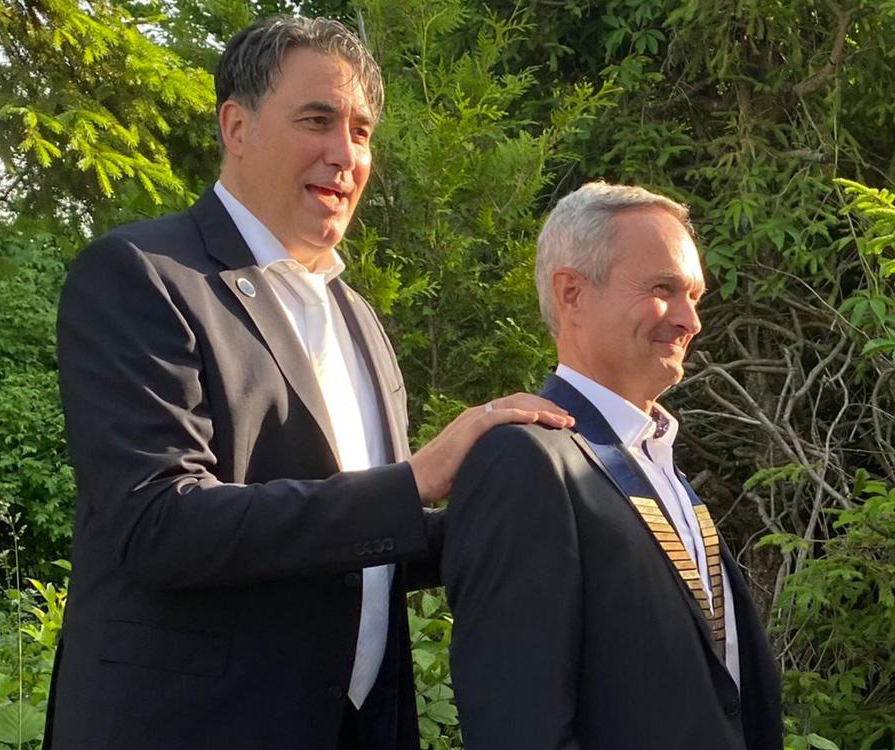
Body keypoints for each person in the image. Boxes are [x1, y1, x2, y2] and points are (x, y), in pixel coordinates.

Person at [46, 15, 570, 750]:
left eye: (360, 131)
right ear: (237, 127)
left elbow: (358, 545)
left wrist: (518, 513)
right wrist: (414, 480)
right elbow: (160, 525)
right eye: (317, 121)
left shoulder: (359, 319)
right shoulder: (143, 276)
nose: (344, 154)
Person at [442, 182, 783, 750]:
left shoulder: (659, 464)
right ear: (572, 293)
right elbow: (517, 727)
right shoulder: (526, 462)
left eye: (694, 295)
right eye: (663, 289)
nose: (690, 320)